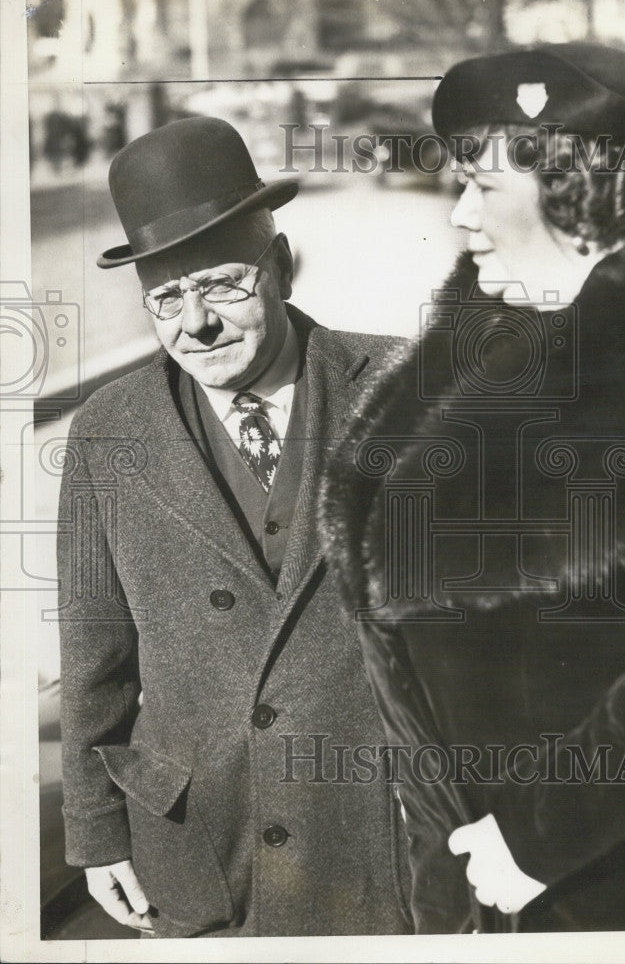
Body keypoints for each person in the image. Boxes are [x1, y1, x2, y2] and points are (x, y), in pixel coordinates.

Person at [320, 43, 625, 933]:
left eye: (484, 188)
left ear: (581, 194)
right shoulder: (498, 323)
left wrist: (534, 842)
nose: (459, 215)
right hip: (478, 878)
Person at [56, 116, 414, 938]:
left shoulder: (406, 387)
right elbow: (92, 651)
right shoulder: (107, 432)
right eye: (167, 299)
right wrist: (96, 832)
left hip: (377, 832)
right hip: (197, 844)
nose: (196, 324)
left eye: (221, 285)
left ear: (281, 267)